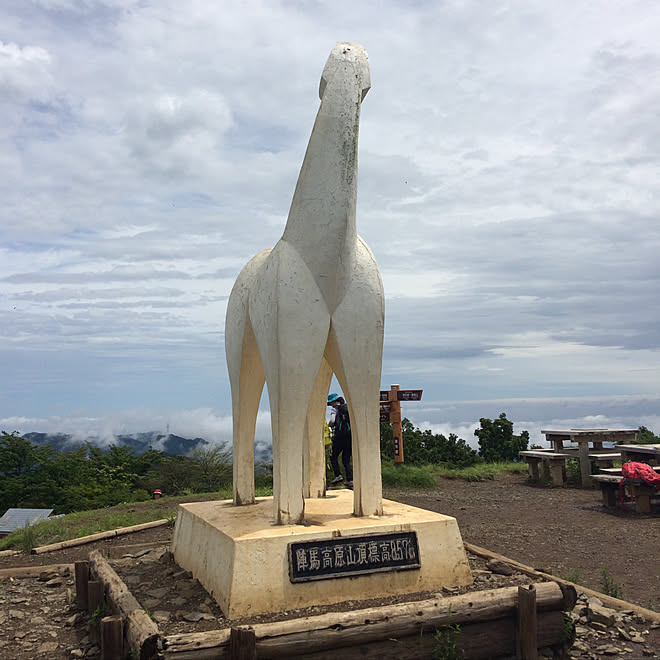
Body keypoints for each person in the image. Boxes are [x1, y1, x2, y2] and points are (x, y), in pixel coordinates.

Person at [327, 392, 353, 488]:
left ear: (333, 402)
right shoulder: (347, 408)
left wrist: (329, 425)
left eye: (330, 403)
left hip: (339, 436)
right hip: (349, 436)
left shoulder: (335, 409)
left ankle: (338, 475)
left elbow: (332, 421)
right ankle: (350, 480)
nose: (330, 405)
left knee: (333, 456)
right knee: (346, 459)